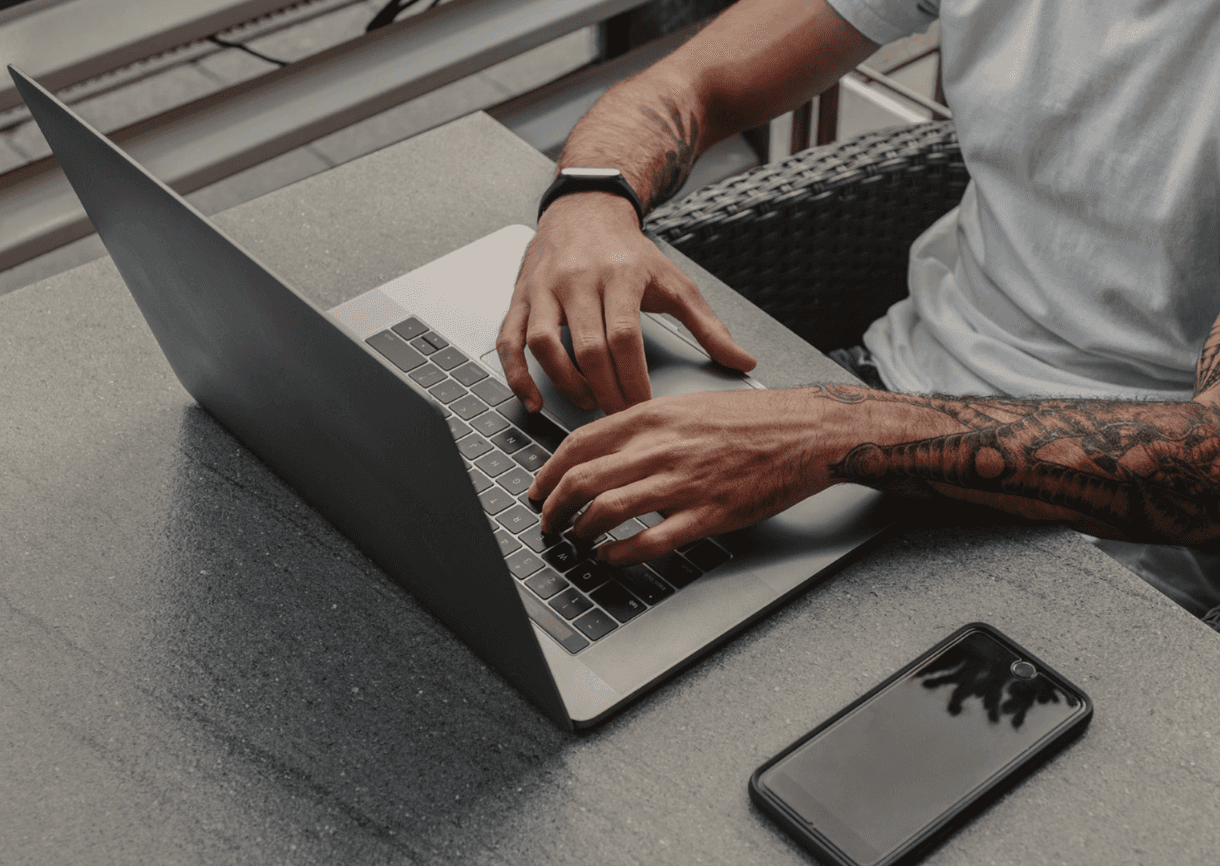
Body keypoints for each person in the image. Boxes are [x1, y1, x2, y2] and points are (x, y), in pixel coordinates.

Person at [495, 0, 1220, 619]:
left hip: (1100, 530)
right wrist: (592, 197)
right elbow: (693, 82)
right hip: (879, 391)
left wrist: (835, 432)